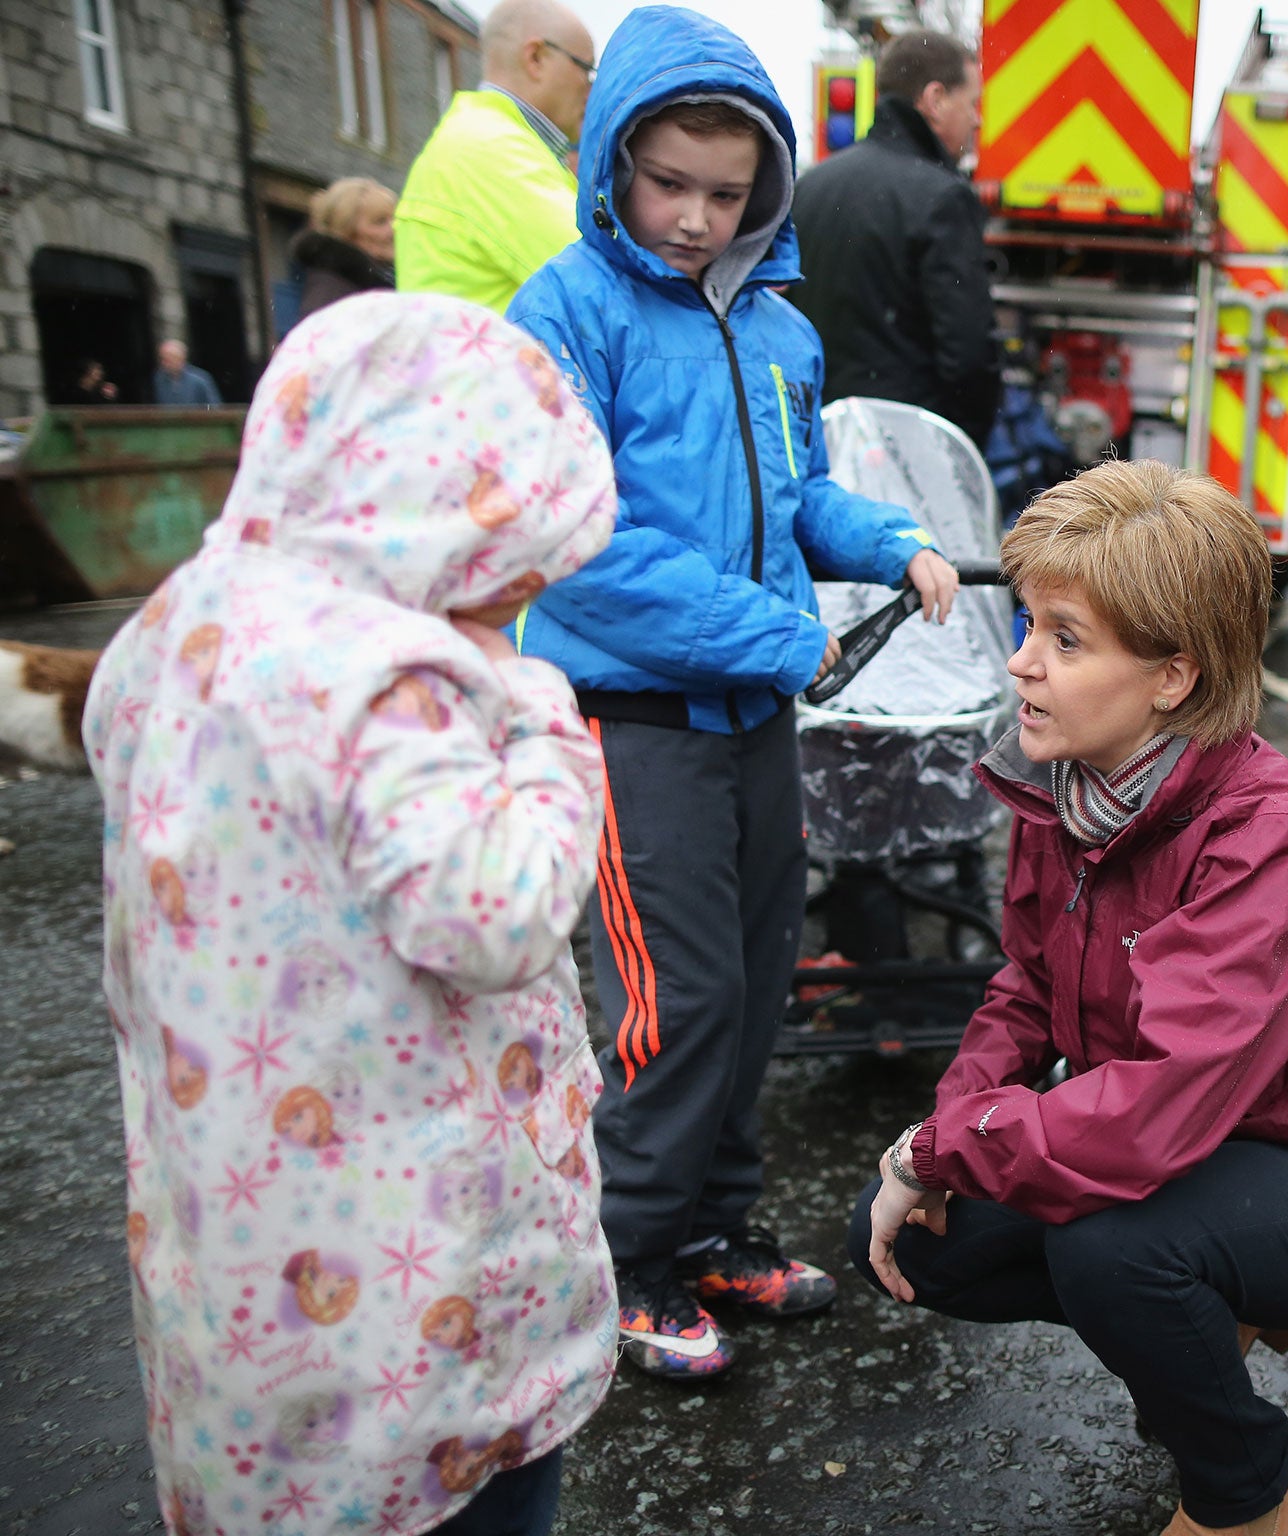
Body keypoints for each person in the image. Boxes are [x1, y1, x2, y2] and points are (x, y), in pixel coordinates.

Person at [82, 291, 620, 1536]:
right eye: (507, 573)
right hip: (418, 1293)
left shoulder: (179, 622)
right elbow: (499, 912)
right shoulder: (390, 681)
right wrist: (538, 710)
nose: (507, 605)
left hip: (246, 1251)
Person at [847, 460, 1288, 1536]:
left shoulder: (1263, 831)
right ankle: (1219, 1303)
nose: (1021, 665)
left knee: (1111, 1249)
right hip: (1190, 1151)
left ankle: (1244, 1494)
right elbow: (1024, 992)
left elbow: (1155, 1106)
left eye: (1066, 642)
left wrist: (936, 1151)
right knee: (913, 1237)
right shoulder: (1061, 782)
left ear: (1171, 678)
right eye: (1028, 625)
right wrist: (939, 1134)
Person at [505, 5, 962, 1382]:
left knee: (759, 986)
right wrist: (772, 634)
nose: (699, 217)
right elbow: (571, 543)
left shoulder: (777, 329)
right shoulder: (565, 314)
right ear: (613, 165)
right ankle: (627, 1260)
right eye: (670, 185)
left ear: (764, 185)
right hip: (635, 724)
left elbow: (802, 489)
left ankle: (710, 1231)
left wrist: (891, 541)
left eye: (727, 190)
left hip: (757, 722)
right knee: (674, 1000)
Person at [788, 29, 999, 446]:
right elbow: (968, 356)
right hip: (902, 450)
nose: (976, 119)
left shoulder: (811, 187)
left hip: (814, 435)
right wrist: (963, 445)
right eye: (971, 103)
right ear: (935, 98)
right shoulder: (943, 198)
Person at [395, 0, 591, 313]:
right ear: (536, 57)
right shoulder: (491, 149)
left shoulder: (482, 138)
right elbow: (597, 284)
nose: (590, 88)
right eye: (585, 69)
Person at [291, 175, 398, 319]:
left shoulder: (368, 285)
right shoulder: (331, 293)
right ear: (347, 230)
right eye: (380, 221)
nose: (395, 228)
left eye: (396, 218)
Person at [150, 340, 223, 408]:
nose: (164, 363)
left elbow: (213, 407)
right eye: (162, 359)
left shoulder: (200, 379)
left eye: (169, 359)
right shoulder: (158, 379)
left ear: (181, 358)